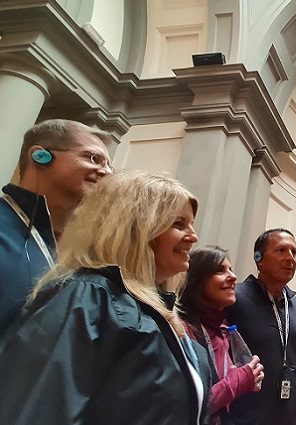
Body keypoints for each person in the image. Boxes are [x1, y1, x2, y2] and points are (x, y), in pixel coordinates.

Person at [0, 170, 210, 425]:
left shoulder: (156, 311)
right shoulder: (89, 298)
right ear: (137, 228)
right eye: (179, 224)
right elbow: (37, 408)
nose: (194, 236)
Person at [0, 118, 112, 339]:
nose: (106, 172)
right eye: (93, 158)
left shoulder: (82, 253)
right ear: (40, 156)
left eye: (109, 165)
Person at [226, 228, 296, 425]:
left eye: (293, 252)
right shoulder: (234, 299)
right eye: (281, 251)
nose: (290, 258)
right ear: (258, 257)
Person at [179, 246, 266, 424]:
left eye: (231, 269)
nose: (233, 277)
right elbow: (189, 404)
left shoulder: (223, 331)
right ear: (196, 280)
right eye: (220, 270)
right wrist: (239, 380)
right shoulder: (181, 330)